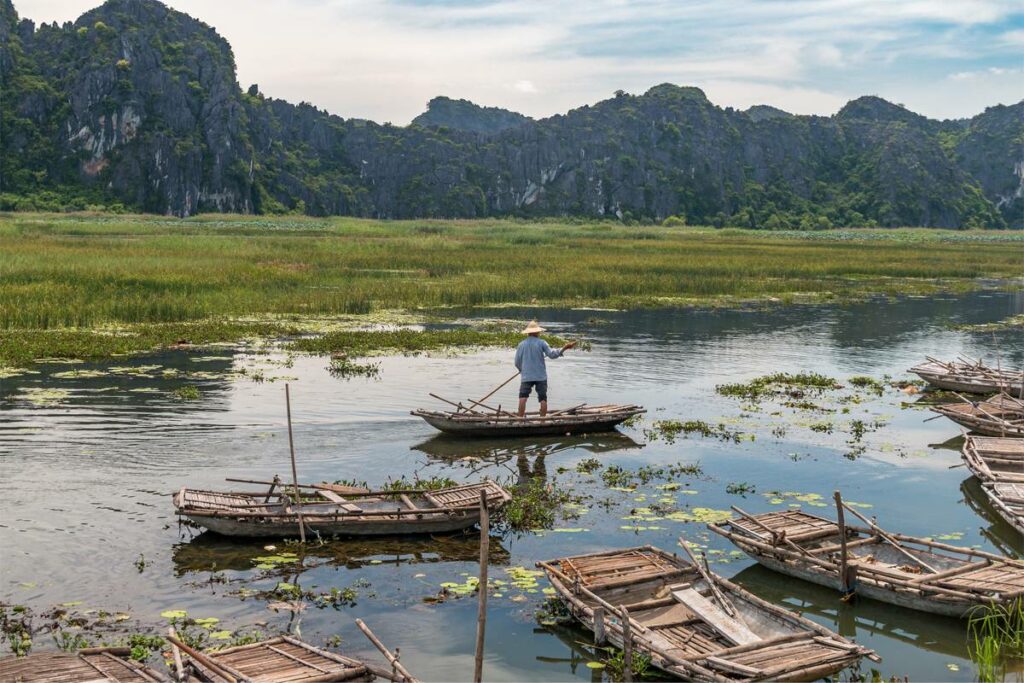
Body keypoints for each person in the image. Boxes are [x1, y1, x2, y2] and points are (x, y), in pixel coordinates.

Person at [514, 320, 576, 417]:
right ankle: (542, 420)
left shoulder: (521, 344)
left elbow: (517, 362)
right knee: (543, 399)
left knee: (523, 398)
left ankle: (520, 420)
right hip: (540, 376)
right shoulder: (542, 343)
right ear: (537, 332)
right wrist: (564, 348)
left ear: (528, 333)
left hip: (527, 376)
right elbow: (552, 354)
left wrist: (521, 370)